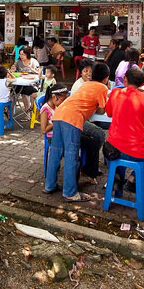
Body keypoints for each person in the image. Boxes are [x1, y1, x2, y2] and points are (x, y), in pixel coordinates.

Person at [43, 62, 110, 202]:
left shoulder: (86, 84)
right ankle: (70, 193)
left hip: (59, 114)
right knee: (71, 156)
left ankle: (49, 186)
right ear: (106, 78)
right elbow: (102, 110)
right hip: (72, 120)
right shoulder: (102, 88)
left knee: (55, 152)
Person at [104, 67, 144, 193]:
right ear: (143, 83)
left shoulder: (115, 93)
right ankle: (132, 179)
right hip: (138, 152)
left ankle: (117, 178)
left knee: (110, 151)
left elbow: (109, 113)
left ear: (125, 80)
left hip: (113, 149)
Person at [10, 46, 40, 114]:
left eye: (23, 54)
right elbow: (13, 72)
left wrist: (32, 69)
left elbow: (39, 73)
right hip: (20, 83)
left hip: (32, 84)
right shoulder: (18, 62)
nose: (21, 56)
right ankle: (10, 113)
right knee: (12, 92)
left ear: (27, 54)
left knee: (24, 94)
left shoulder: (33, 62)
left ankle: (28, 114)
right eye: (20, 54)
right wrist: (13, 70)